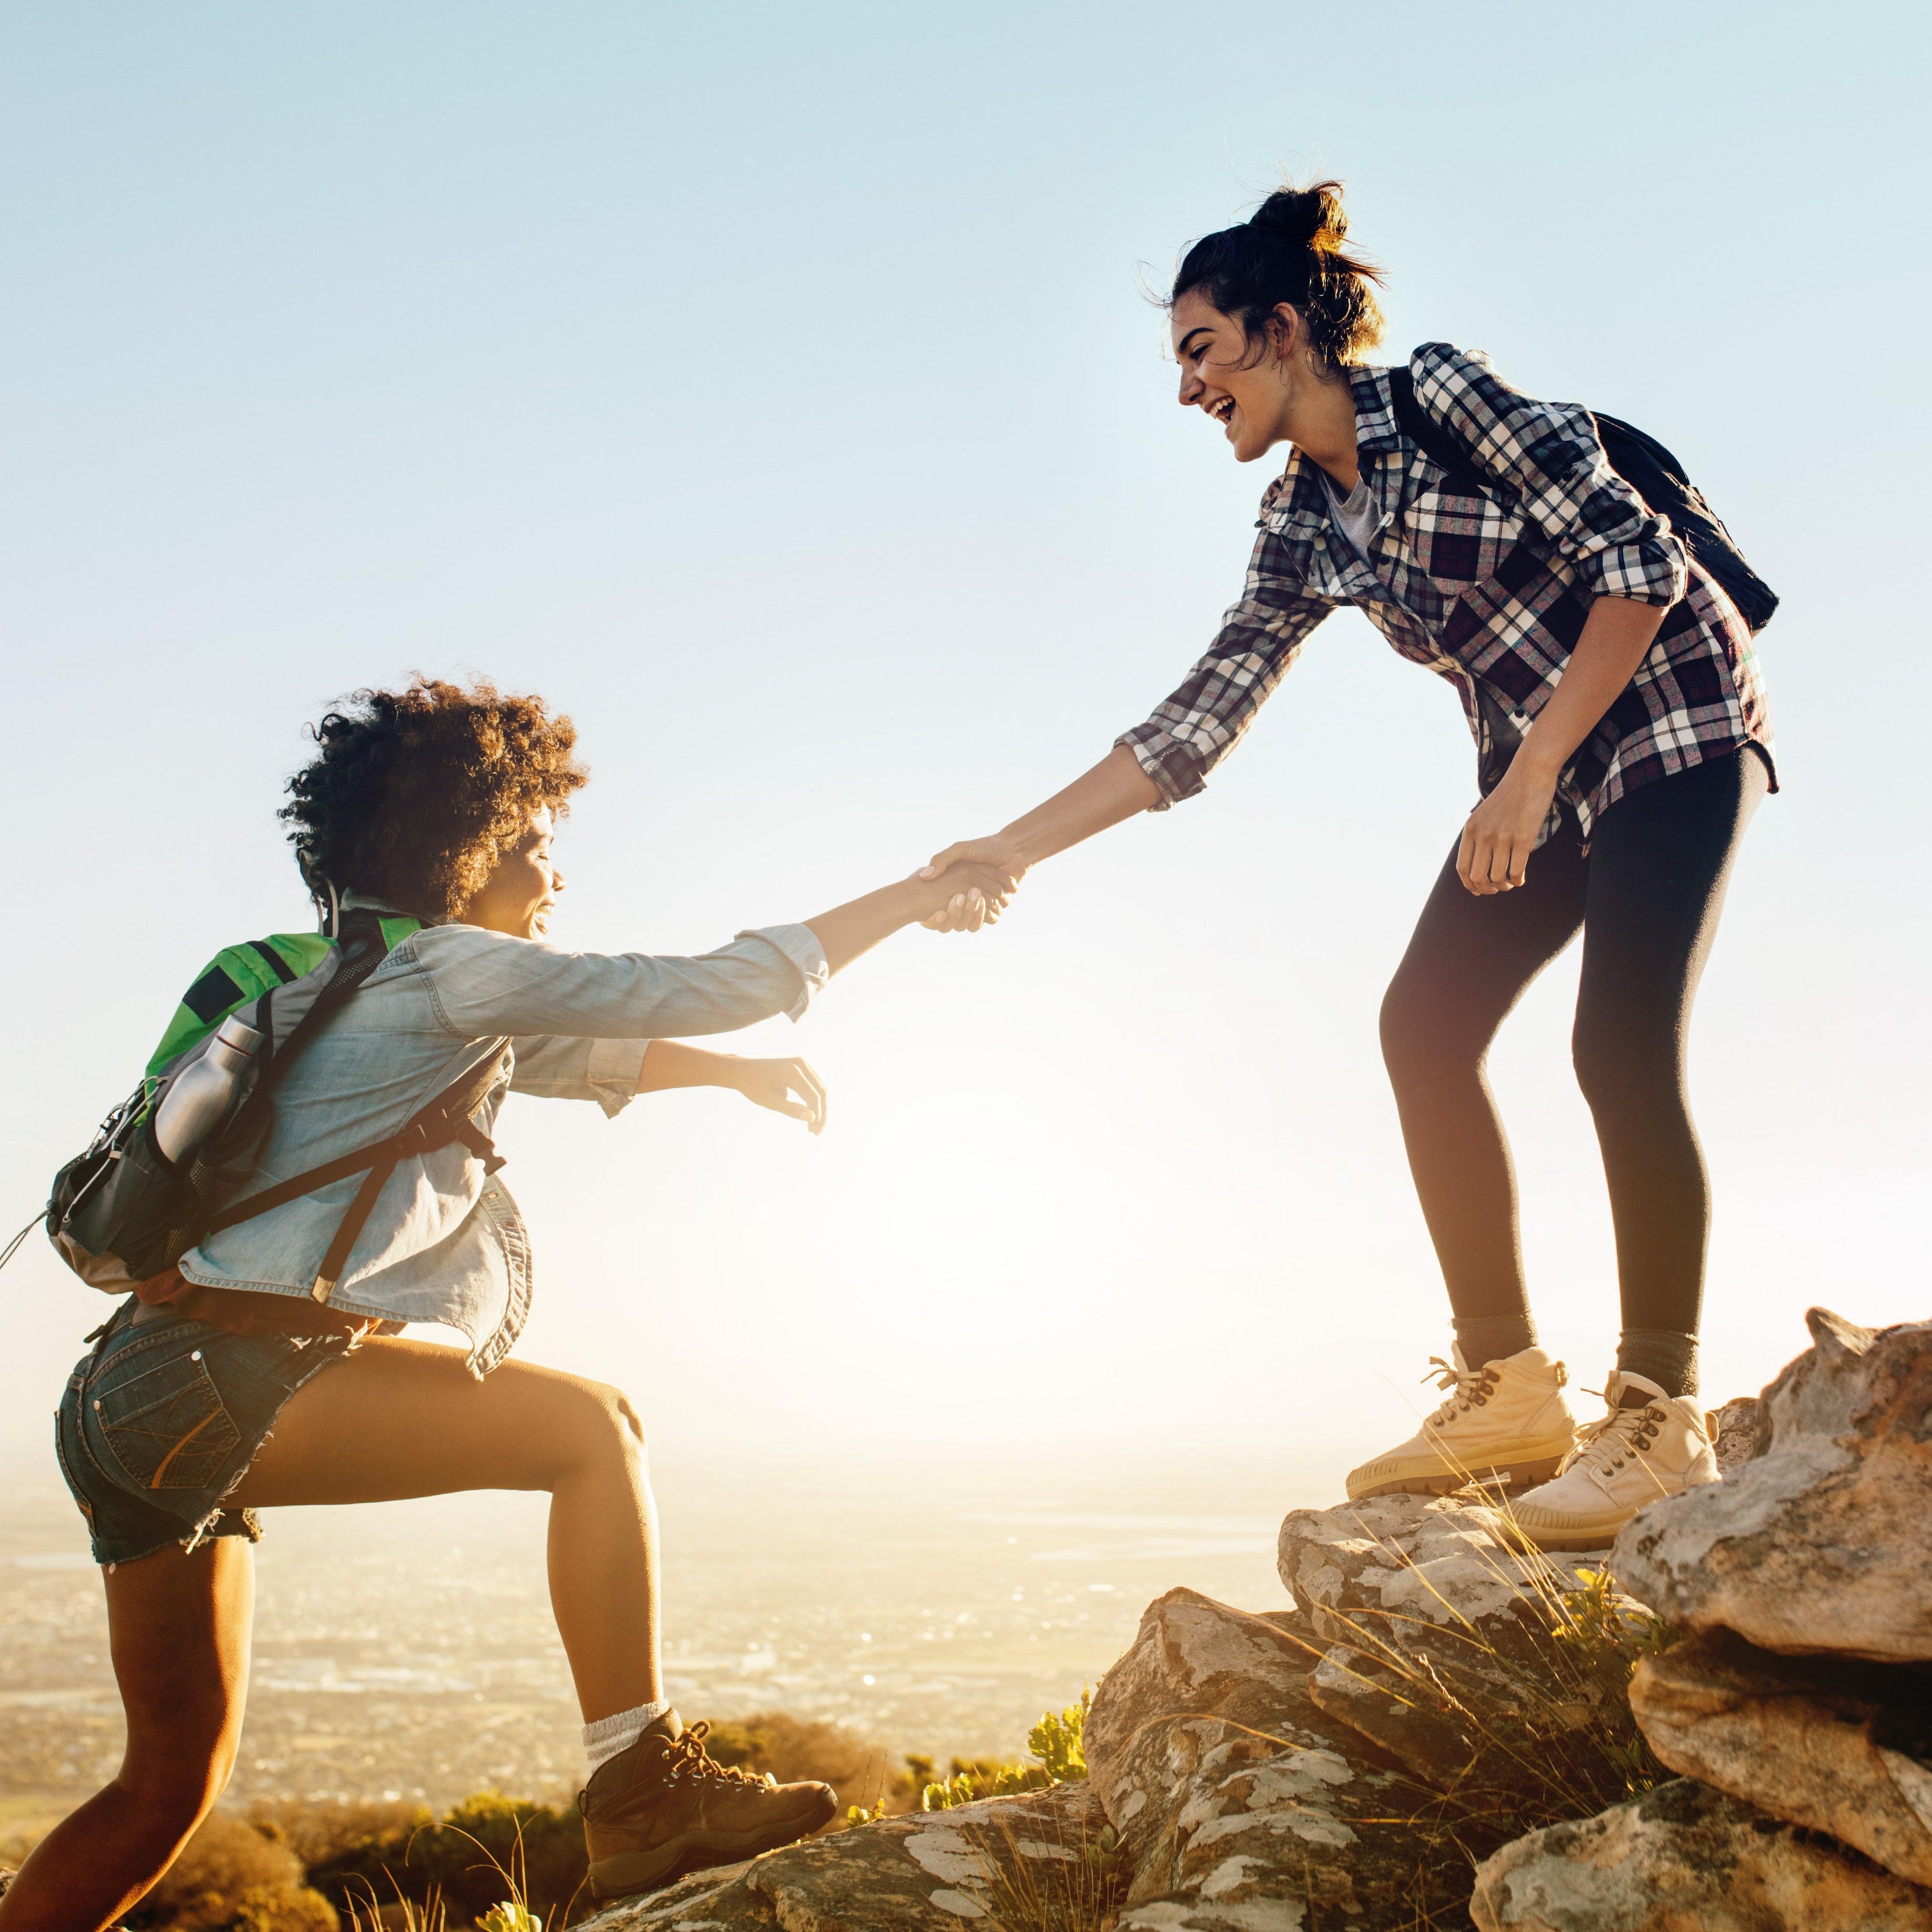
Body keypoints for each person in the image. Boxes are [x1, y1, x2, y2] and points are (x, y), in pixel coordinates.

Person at [1, 677, 1010, 1931]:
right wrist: (914, 898)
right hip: (228, 1381)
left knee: (166, 1786)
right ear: (464, 852)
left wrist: (734, 1076)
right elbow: (710, 980)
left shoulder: (341, 978)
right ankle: (641, 1786)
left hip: (125, 1399)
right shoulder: (450, 973)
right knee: (593, 1431)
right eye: (536, 845)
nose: (554, 878)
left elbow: (587, 1053)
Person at [920, 181, 1774, 1553]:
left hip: (1671, 724)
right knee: (1422, 1025)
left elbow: (1639, 564)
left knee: (1617, 1043)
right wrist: (1008, 848)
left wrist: (1538, 766)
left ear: (1278, 331)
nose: (1188, 386)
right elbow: (1194, 724)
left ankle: (1658, 1413)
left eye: (1200, 350)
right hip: (1536, 777)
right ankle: (1505, 1387)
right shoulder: (1300, 525)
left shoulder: (1445, 397)